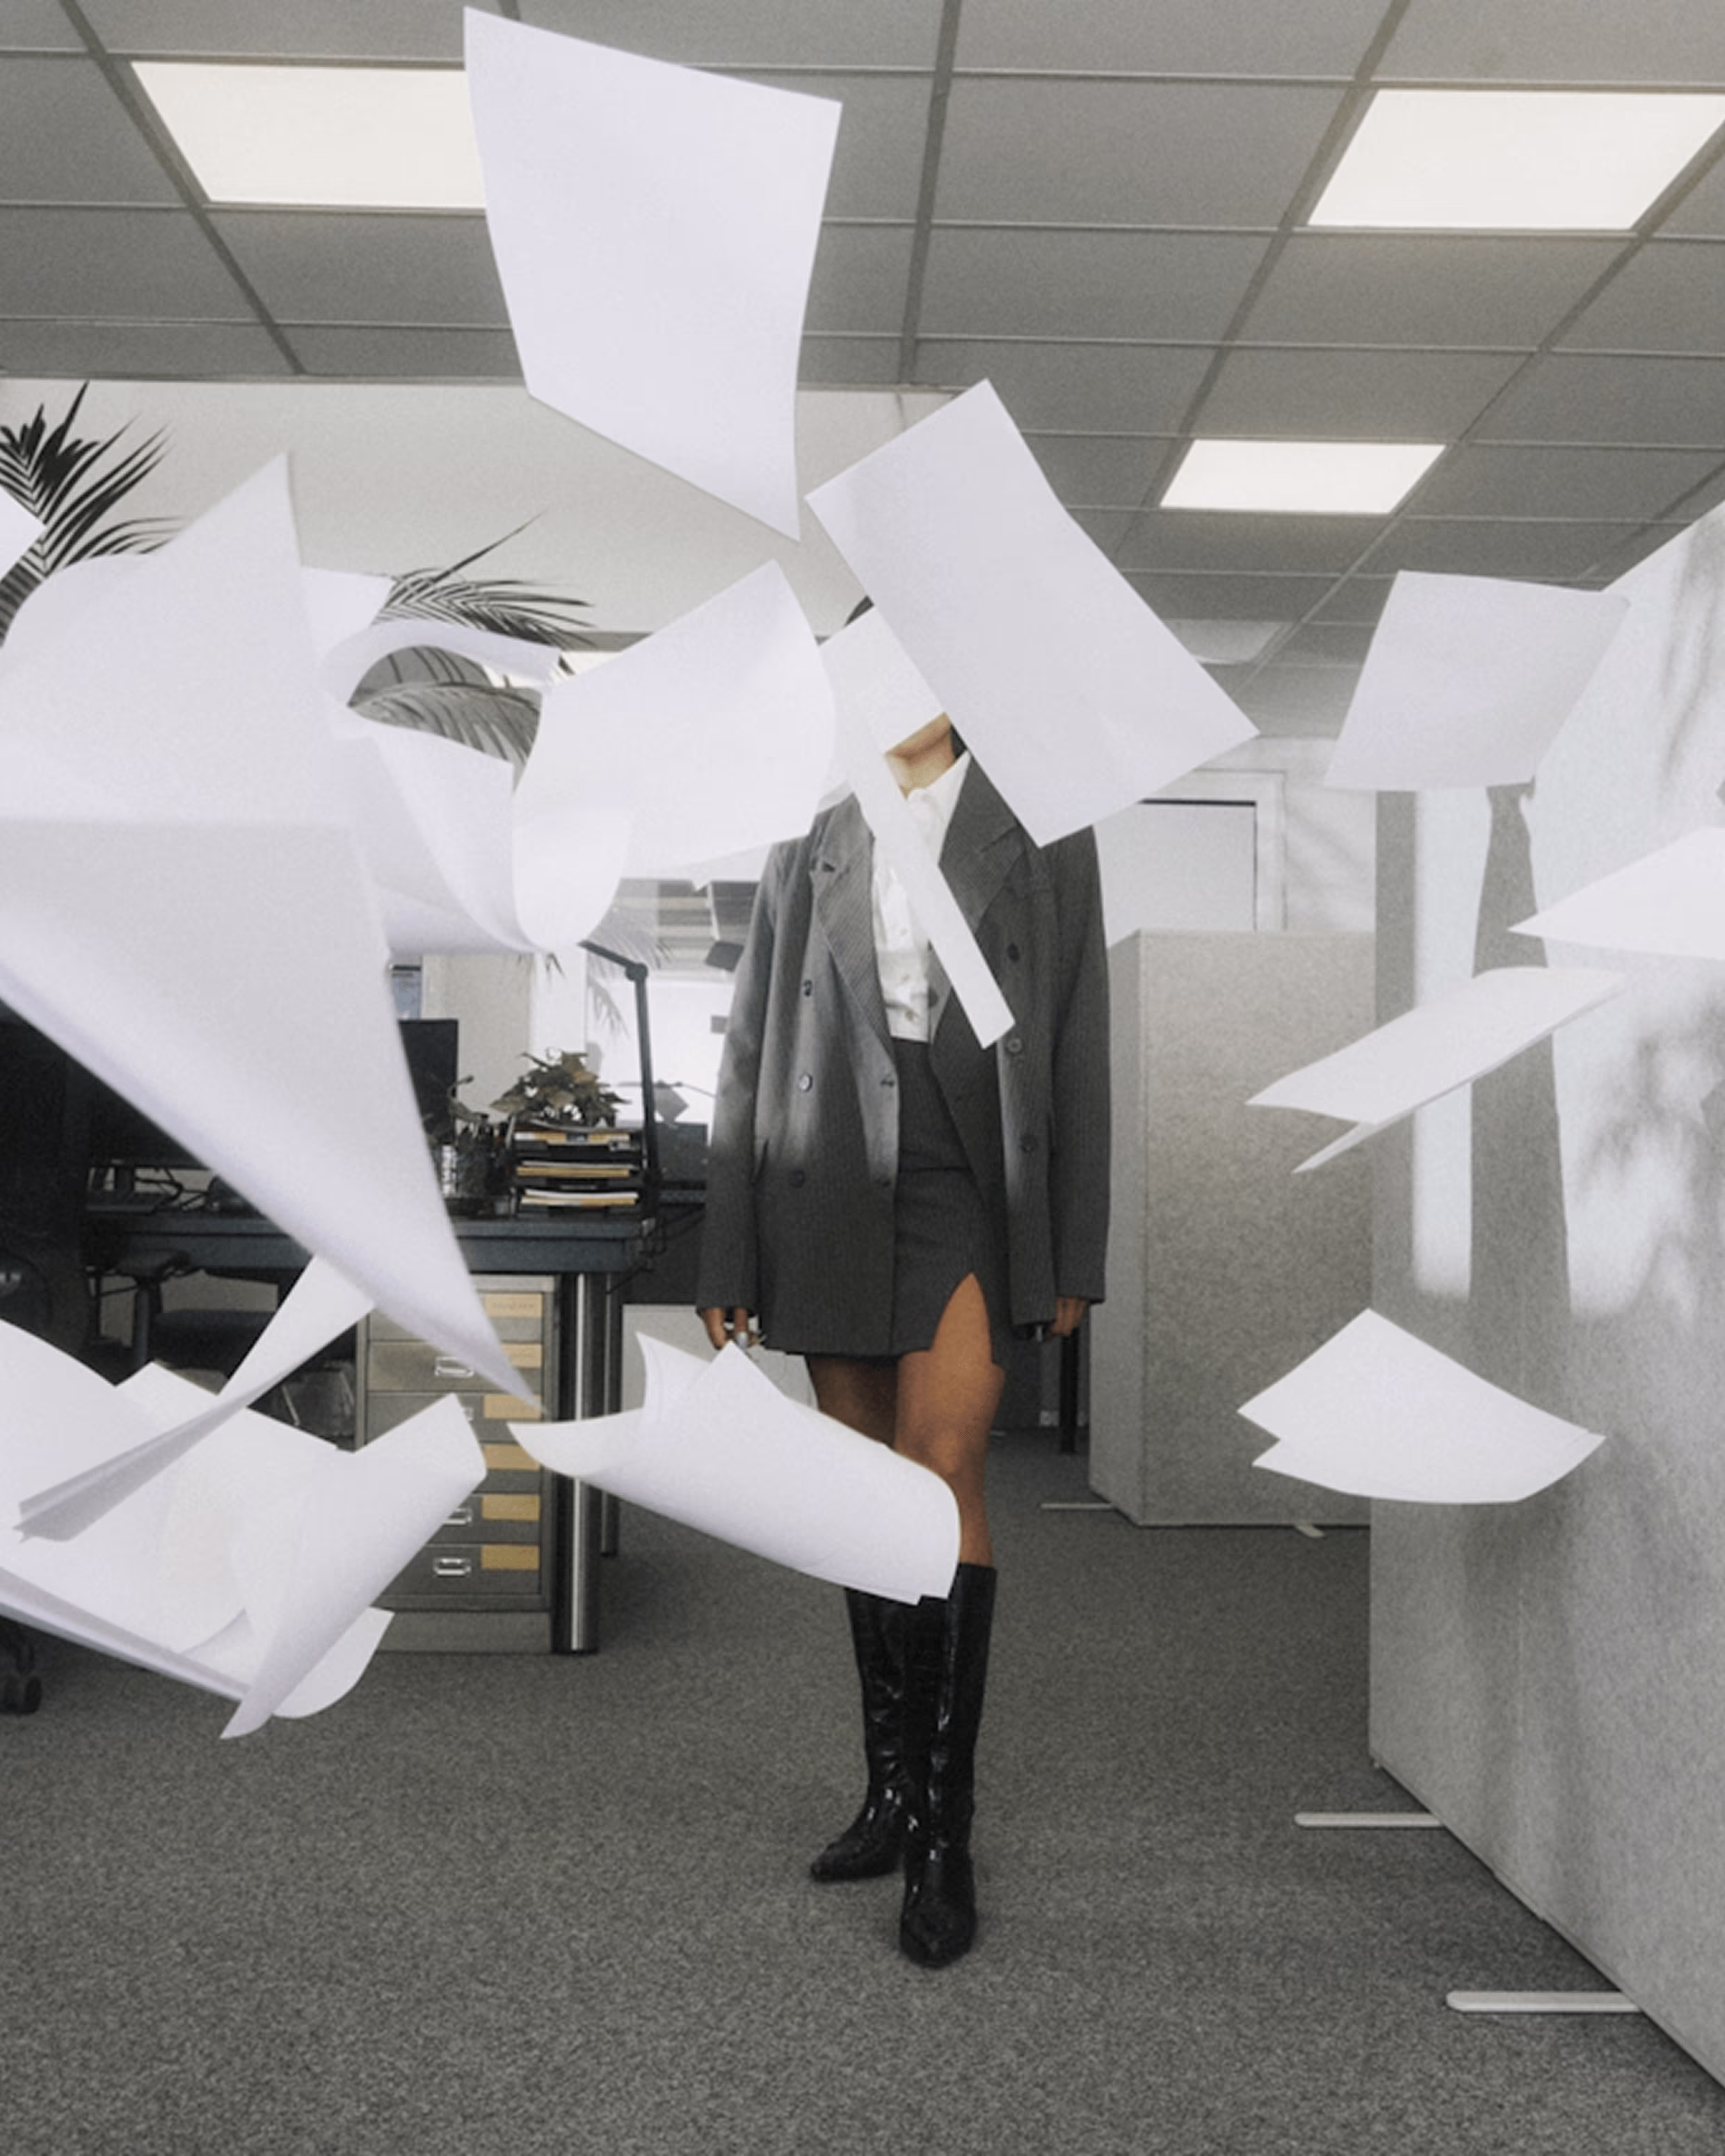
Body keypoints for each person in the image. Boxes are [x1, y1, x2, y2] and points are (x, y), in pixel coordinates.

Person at [696, 678, 1109, 1969]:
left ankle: (945, 1827)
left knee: (942, 1477)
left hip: (972, 1183)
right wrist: (729, 1235)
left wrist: (1074, 1244)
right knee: (868, 1495)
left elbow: (1081, 1034)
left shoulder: (1042, 820)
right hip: (824, 1177)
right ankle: (886, 1790)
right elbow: (751, 1039)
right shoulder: (809, 823)